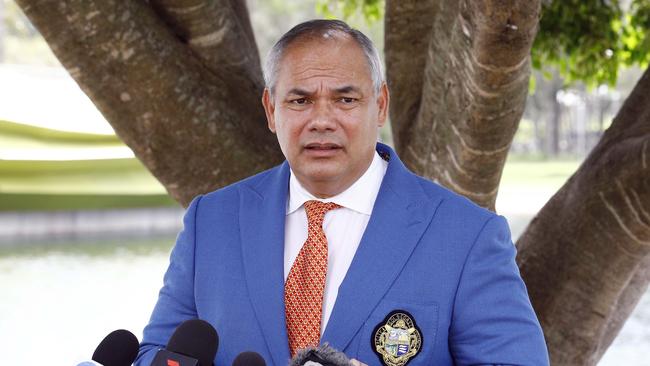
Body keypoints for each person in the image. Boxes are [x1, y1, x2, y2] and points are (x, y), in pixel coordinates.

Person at [135, 19, 549, 366]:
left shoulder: (467, 237)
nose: (322, 120)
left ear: (381, 104)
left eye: (345, 99)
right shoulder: (212, 221)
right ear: (270, 110)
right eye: (300, 100)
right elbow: (156, 352)